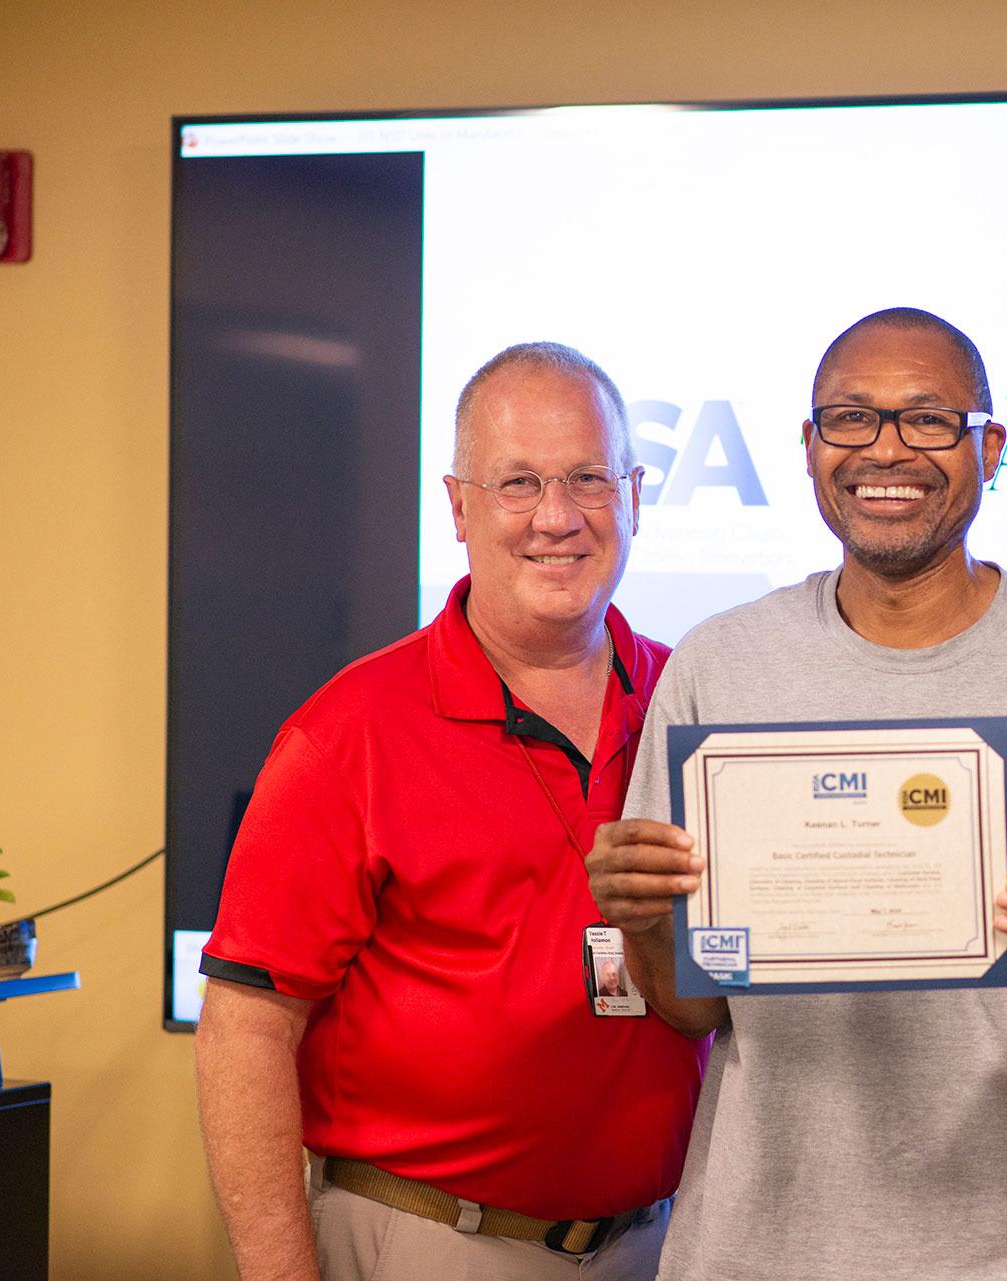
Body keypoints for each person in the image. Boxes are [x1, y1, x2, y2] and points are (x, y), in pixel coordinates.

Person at [587, 307, 1007, 1280]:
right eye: (850, 419)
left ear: (991, 447)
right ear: (808, 450)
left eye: (929, 420)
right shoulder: (721, 666)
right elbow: (694, 1008)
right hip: (764, 1249)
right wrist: (643, 924)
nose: (884, 448)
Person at [195, 343, 708, 1281]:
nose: (559, 517)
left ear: (635, 491)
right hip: (435, 1242)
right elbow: (246, 1027)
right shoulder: (346, 733)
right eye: (518, 482)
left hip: (668, 1244)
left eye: (589, 477)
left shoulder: (693, 703)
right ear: (459, 505)